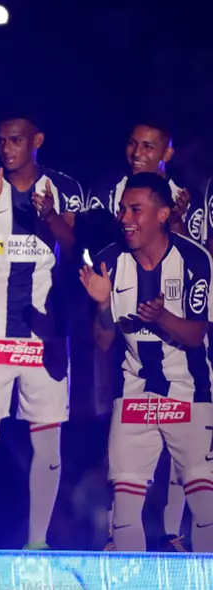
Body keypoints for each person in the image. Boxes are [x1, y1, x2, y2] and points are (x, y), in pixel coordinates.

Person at [0, 114, 84, 550]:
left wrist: (49, 216)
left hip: (46, 334)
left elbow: (74, 251)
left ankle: (38, 543)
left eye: (16, 141)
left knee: (47, 438)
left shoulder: (64, 188)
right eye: (1, 141)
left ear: (37, 142)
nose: (7, 149)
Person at [81, 171, 213, 553]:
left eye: (135, 210)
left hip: (189, 394)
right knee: (123, 513)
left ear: (161, 214)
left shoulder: (194, 260)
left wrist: (163, 318)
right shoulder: (110, 261)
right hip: (134, 395)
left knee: (205, 507)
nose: (125, 218)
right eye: (123, 209)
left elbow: (196, 335)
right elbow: (104, 341)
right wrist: (103, 305)